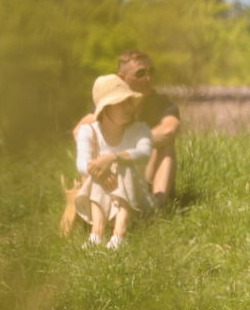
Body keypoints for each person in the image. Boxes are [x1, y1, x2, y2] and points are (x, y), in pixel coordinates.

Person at [75, 50, 181, 206]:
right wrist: (101, 165)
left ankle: (159, 204)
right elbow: (79, 130)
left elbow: (169, 130)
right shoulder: (110, 105)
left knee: (166, 144)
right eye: (140, 73)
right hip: (110, 175)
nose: (148, 78)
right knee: (94, 138)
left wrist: (126, 148)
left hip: (144, 168)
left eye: (151, 71)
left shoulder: (162, 103)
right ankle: (96, 202)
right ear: (122, 78)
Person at [74, 75, 153, 250]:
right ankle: (97, 233)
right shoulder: (89, 131)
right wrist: (102, 171)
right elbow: (81, 164)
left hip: (136, 202)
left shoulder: (140, 129)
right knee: (95, 169)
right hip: (101, 200)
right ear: (105, 109)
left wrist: (112, 158)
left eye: (128, 102)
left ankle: (120, 234)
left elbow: (144, 153)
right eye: (121, 103)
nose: (128, 107)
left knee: (121, 165)